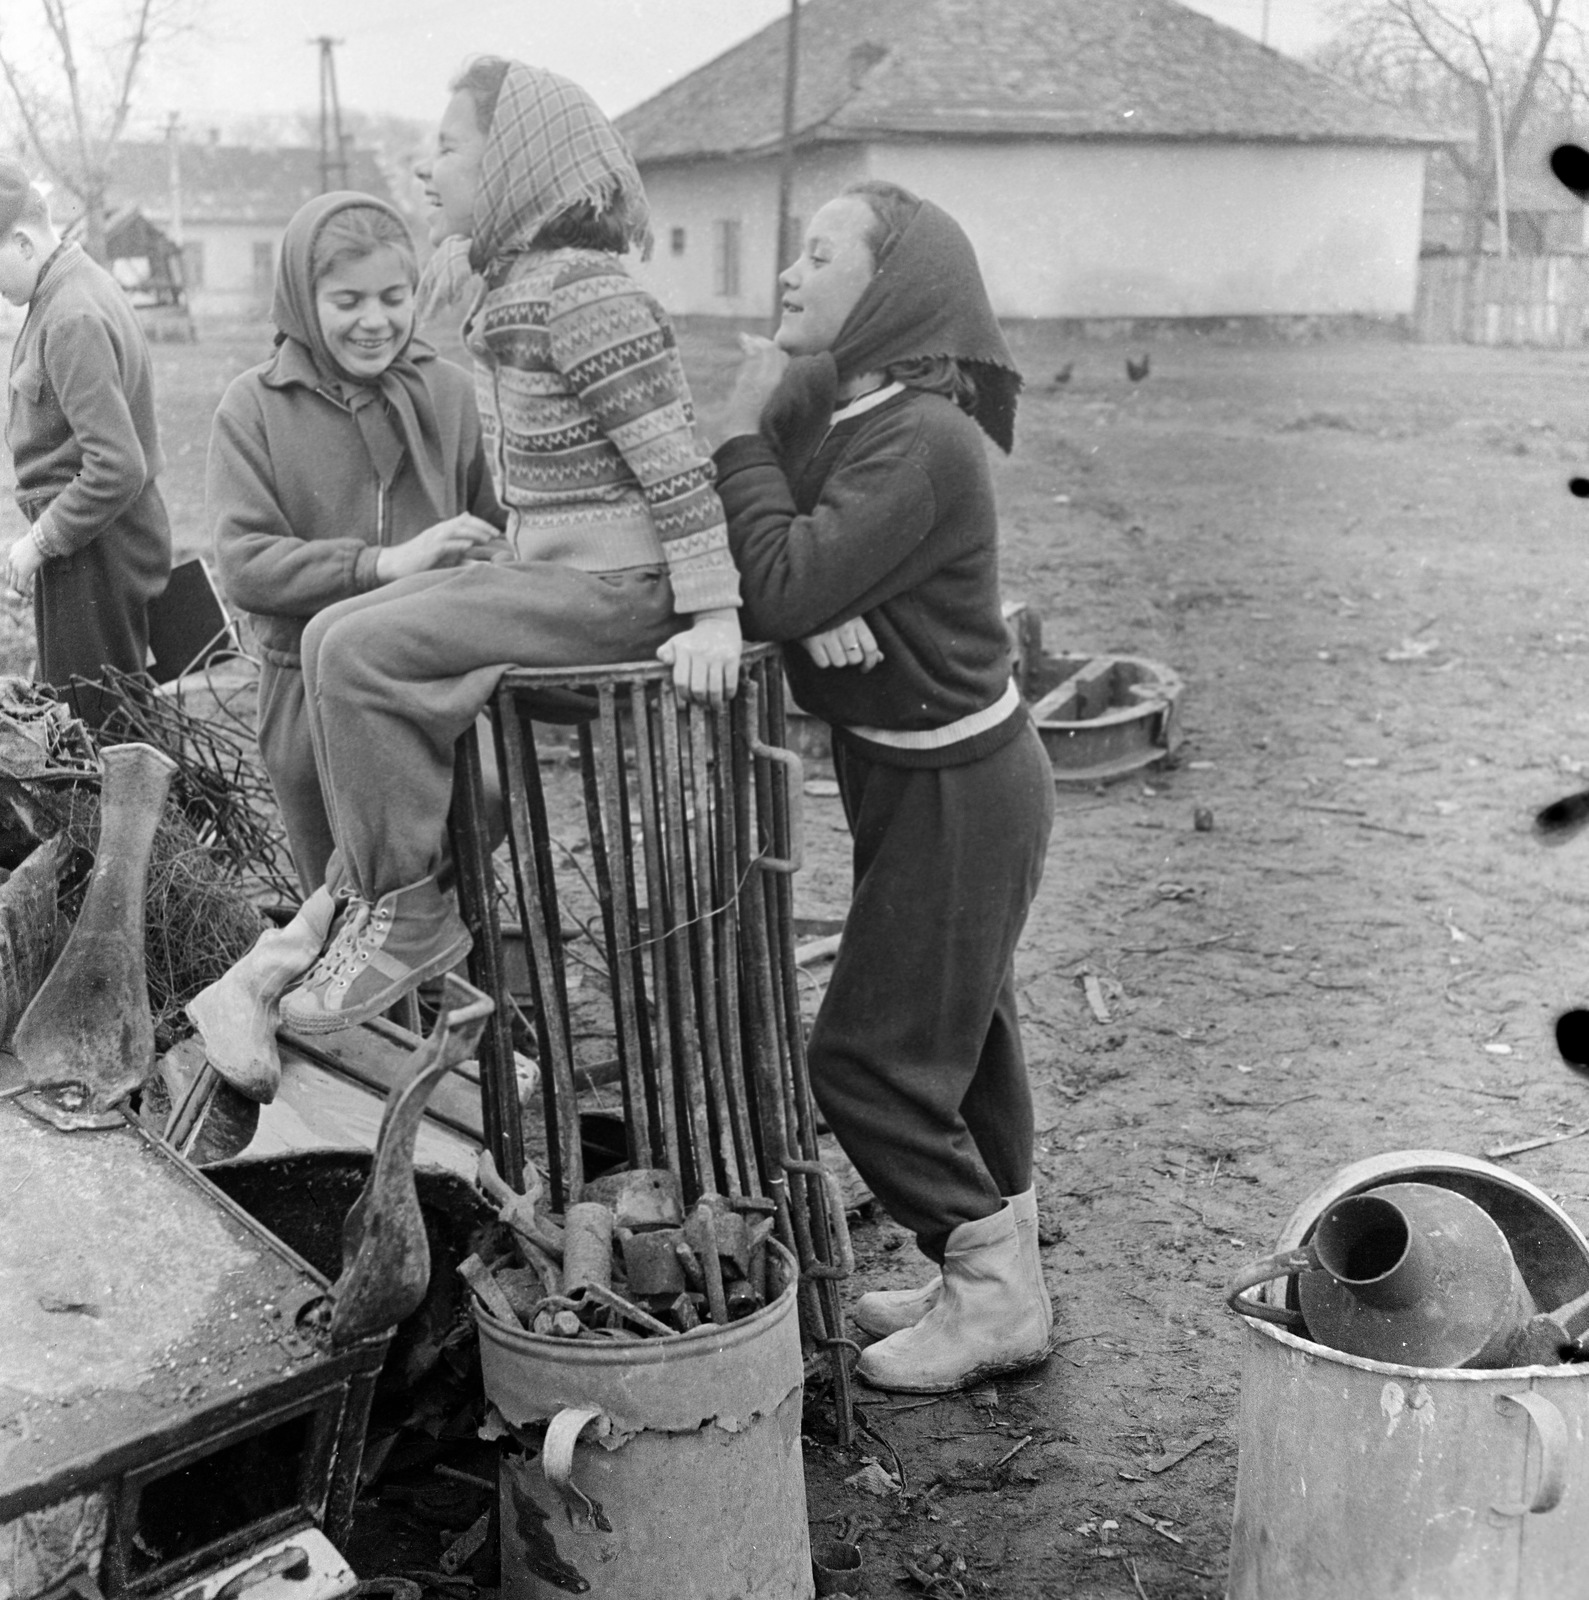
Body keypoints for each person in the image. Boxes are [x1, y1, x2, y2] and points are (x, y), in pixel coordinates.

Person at [273, 57, 743, 1036]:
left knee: (362, 652)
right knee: (328, 637)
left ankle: (405, 912)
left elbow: (673, 462)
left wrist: (713, 611)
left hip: (617, 586)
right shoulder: (518, 285)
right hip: (554, 571)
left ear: (516, 162)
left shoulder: (584, 296)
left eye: (448, 149)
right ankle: (373, 897)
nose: (425, 170)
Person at [710, 181, 1054, 1393]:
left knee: (863, 1055)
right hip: (924, 780)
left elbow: (780, 574)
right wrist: (817, 603)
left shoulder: (920, 437)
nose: (789, 276)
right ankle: (992, 1269)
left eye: (818, 256)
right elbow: (774, 570)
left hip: (961, 788)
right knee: (965, 1038)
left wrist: (746, 446)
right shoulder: (851, 405)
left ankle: (994, 1296)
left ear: (891, 294)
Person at [207, 191, 504, 895]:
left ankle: (447, 985)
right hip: (308, 693)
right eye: (347, 302)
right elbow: (245, 565)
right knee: (342, 902)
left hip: (437, 683)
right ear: (304, 301)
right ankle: (360, 997)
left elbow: (493, 530)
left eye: (393, 297)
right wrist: (382, 565)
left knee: (475, 820)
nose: (376, 322)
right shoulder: (254, 406)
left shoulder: (450, 394)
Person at [0, 159, 172, 728]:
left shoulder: (70, 314)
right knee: (97, 725)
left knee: (97, 734)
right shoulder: (65, 290)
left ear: (22, 241)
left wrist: (40, 542)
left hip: (97, 553)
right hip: (91, 544)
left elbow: (118, 466)